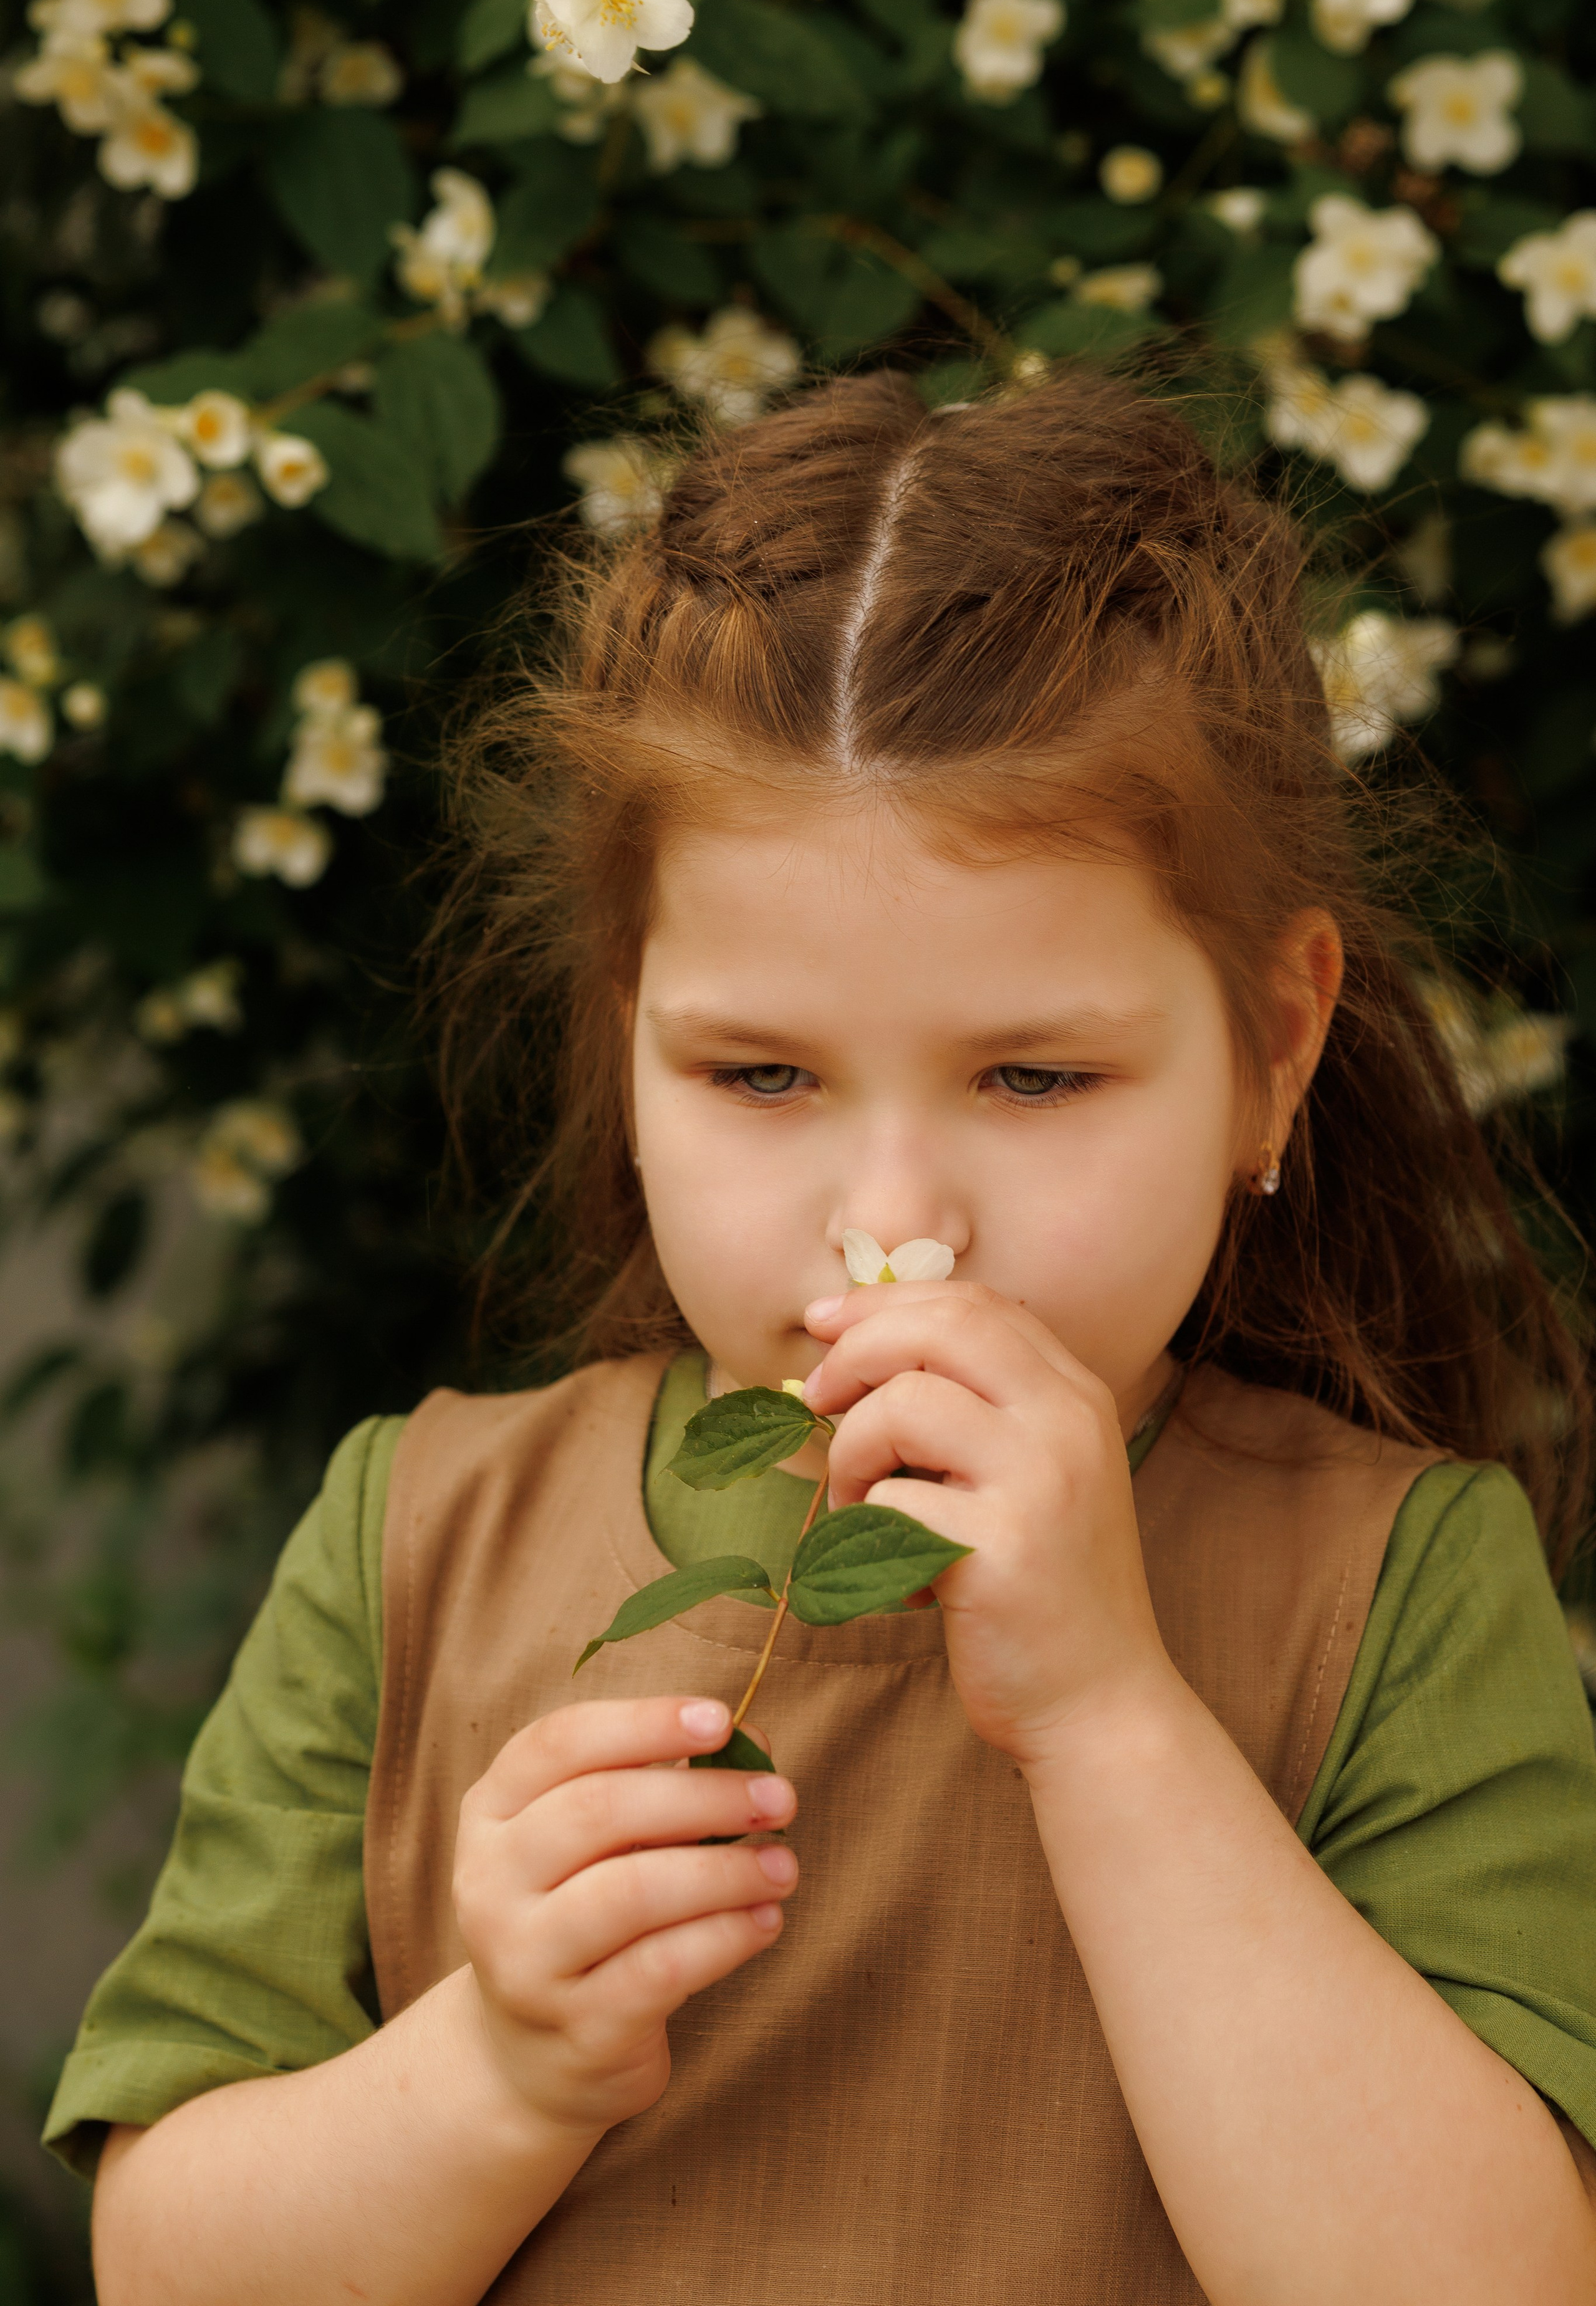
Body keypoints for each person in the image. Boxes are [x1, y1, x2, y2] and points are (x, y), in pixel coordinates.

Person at [48, 366, 1596, 2305]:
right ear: (628, 1036)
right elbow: (167, 2270)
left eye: (1034, 1079)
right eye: (762, 1075)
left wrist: (1110, 1717)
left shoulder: (1386, 1586)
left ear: (1271, 1051)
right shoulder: (423, 1543)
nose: (897, 1222)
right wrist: (502, 2070)